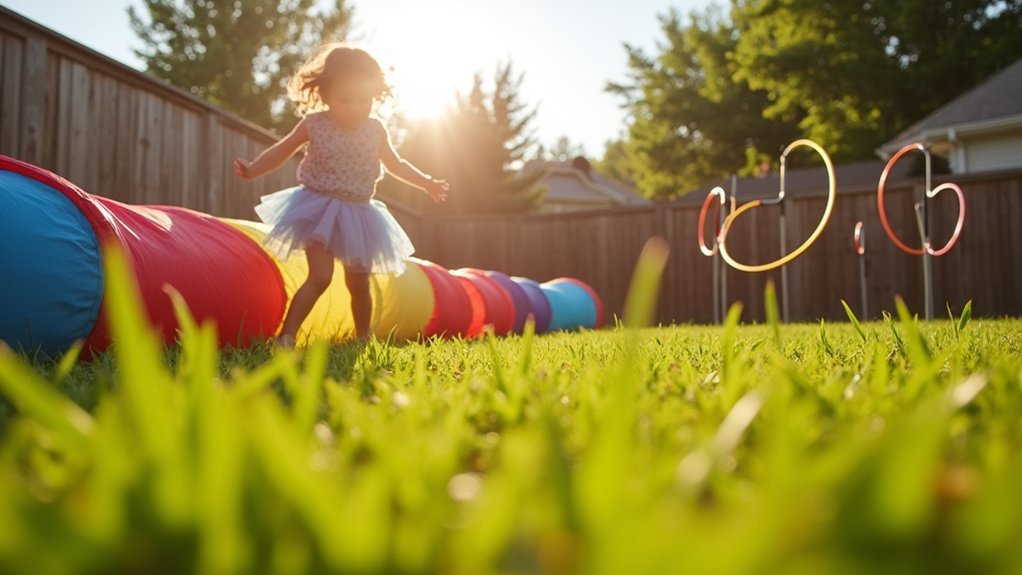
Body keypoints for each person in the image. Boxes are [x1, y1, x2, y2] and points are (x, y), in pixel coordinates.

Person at [234, 44, 449, 346]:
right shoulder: (314, 124)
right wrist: (254, 168)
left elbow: (396, 164)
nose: (354, 108)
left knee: (358, 283)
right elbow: (283, 150)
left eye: (363, 100)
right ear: (324, 95)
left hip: (359, 214)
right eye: (344, 100)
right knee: (320, 277)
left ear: (374, 96)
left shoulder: (375, 130)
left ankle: (363, 338)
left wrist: (426, 182)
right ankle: (286, 336)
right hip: (318, 209)